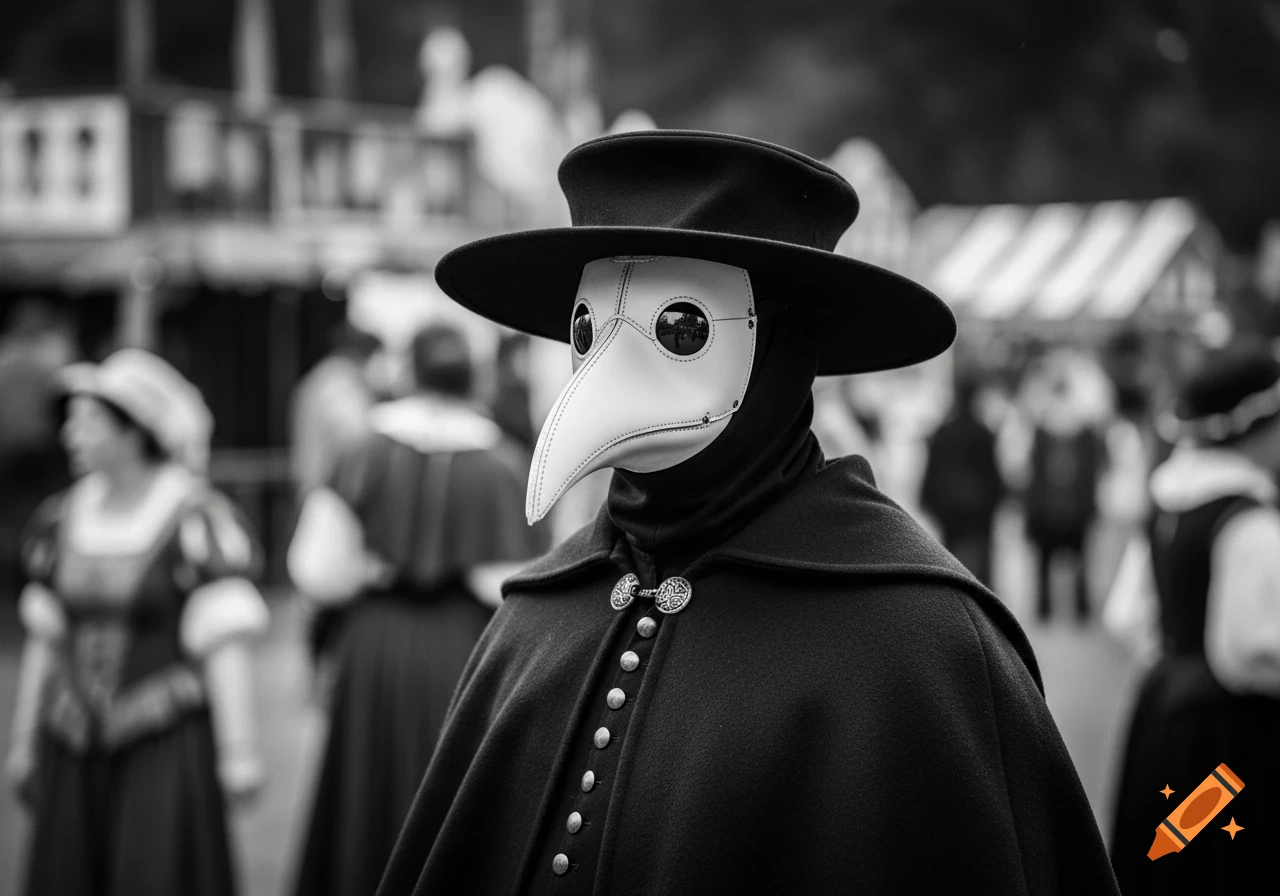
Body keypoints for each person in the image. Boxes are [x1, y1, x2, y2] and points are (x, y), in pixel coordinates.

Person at [378, 130, 1119, 894]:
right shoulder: (534, 622)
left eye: (681, 328)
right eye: (587, 329)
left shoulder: (919, 648)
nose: (609, 370)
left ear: (782, 344)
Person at [288, 322, 544, 896]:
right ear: (470, 375)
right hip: (464, 649)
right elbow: (513, 583)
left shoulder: (364, 451)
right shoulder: (503, 462)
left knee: (365, 793)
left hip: (373, 646)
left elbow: (318, 572)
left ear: (408, 370)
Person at [4, 349, 269, 896]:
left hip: (163, 747)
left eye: (90, 421)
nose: (71, 436)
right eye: (71, 421)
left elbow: (225, 645)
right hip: (72, 742)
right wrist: (25, 741)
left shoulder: (194, 517)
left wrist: (238, 751)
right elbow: (47, 638)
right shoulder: (62, 517)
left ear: (134, 430)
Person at [1105, 343, 1280, 895]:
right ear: (1257, 429)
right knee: (1224, 869)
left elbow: (1126, 614)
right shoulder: (1247, 521)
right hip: (1228, 736)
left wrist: (1177, 663)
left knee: (1172, 856)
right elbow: (1249, 652)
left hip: (1164, 716)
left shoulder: (1170, 502)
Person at [288, 320, 382, 670]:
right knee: (328, 599)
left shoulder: (317, 380)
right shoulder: (341, 389)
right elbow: (357, 440)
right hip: (330, 504)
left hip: (311, 496)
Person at [1024, 365, 1108, 622]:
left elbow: (1030, 470)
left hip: (1049, 505)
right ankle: (1080, 609)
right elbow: (1098, 467)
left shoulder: (1040, 425)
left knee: (1044, 562)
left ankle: (1045, 609)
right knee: (1080, 559)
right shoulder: (1085, 428)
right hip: (1075, 505)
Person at [920, 376, 1006, 586]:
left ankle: (957, 597)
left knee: (951, 559)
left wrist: (928, 499)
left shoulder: (943, 432)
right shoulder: (983, 432)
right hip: (978, 508)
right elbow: (992, 473)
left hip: (950, 507)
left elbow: (933, 471)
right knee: (983, 563)